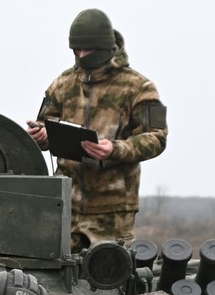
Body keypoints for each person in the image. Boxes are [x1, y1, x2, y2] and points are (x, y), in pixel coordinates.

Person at [27, 8, 168, 253]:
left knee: (108, 278)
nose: (81, 55)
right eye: (76, 50)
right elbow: (46, 123)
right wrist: (41, 135)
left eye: (88, 50)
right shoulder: (62, 84)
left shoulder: (138, 87)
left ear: (105, 48)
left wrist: (116, 148)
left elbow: (157, 137)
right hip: (65, 204)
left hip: (112, 209)